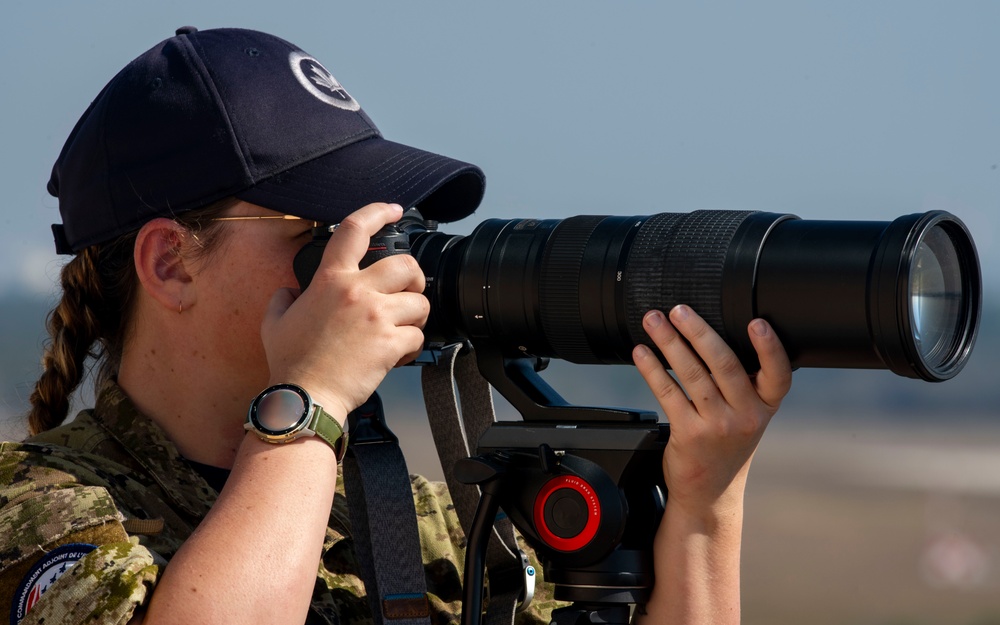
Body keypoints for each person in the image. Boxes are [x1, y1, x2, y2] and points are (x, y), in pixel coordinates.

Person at [0, 26, 792, 625]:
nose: (380, 265)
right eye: (324, 231)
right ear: (171, 262)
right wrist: (309, 396)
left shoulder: (414, 519)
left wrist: (702, 507)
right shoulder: (39, 509)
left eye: (383, 228)